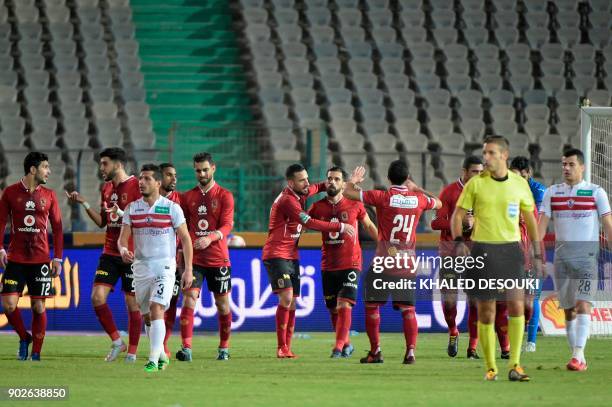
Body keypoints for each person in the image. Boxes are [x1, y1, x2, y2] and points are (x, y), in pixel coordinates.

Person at [451, 136, 542, 382]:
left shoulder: (519, 184)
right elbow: (457, 216)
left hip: (511, 251)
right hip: (483, 251)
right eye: (484, 153)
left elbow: (531, 219)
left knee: (517, 305)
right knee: (487, 312)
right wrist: (459, 241)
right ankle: (491, 367)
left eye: (491, 153)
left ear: (504, 154)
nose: (486, 157)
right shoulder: (475, 185)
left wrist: (536, 249)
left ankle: (515, 364)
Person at [343, 160, 441, 364]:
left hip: (384, 261)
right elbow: (439, 203)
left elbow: (347, 192)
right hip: (406, 264)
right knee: (408, 310)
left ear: (388, 178)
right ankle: (410, 352)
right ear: (407, 179)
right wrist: (417, 188)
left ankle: (376, 351)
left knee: (371, 307)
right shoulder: (418, 199)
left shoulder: (382, 197)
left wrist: (353, 180)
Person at [262, 163, 355, 358]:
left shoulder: (301, 192)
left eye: (306, 178)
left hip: (292, 255)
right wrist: (339, 227)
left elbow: (324, 186)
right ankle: (281, 347)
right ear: (290, 183)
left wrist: (349, 183)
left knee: (293, 302)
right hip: (277, 253)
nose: (307, 183)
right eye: (302, 180)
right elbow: (308, 222)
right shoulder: (288, 200)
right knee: (286, 297)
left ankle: (287, 347)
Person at [538, 148, 612, 371]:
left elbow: (608, 224)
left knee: (583, 305)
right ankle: (577, 355)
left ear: (582, 167)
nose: (566, 168)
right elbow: (541, 225)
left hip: (587, 257)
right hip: (561, 258)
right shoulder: (552, 192)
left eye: (571, 164)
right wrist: (535, 253)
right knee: (568, 309)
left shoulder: (596, 192)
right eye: (563, 164)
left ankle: (578, 356)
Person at [66, 147, 142, 362]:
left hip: (131, 254)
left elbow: (142, 218)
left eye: (104, 163)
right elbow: (102, 222)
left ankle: (133, 353)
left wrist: (124, 215)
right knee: (97, 297)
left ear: (118, 164)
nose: (101, 168)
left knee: (132, 304)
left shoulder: (137, 186)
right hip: (109, 251)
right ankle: (118, 341)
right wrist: (84, 203)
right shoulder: (106, 189)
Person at [118, 164, 193, 372]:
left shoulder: (171, 208)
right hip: (141, 268)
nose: (142, 182)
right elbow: (122, 239)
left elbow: (186, 240)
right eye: (141, 178)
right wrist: (123, 250)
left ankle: (152, 360)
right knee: (147, 316)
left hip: (165, 267)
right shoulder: (132, 209)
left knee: (156, 308)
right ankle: (160, 354)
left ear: (158, 183)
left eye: (147, 178)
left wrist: (188, 270)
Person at [308, 166, 378, 358]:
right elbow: (303, 223)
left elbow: (369, 225)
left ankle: (338, 347)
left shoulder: (354, 205)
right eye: (329, 179)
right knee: (333, 309)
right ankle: (346, 344)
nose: (332, 182)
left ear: (343, 183)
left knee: (344, 305)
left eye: (337, 179)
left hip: (351, 262)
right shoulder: (317, 207)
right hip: (328, 265)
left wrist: (384, 245)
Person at [0, 152, 63, 361]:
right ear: (33, 170)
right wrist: (0, 248)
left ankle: (36, 352)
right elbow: (0, 222)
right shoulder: (10, 193)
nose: (49, 171)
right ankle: (24, 337)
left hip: (40, 259)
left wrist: (58, 257)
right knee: (9, 305)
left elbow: (58, 228)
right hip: (16, 258)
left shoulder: (50, 195)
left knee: (38, 306)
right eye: (45, 166)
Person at [177, 153, 235, 361]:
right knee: (189, 299)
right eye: (197, 170)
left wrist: (210, 237)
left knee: (222, 305)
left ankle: (224, 348)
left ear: (213, 168)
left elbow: (227, 225)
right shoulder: (187, 197)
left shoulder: (224, 195)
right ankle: (186, 348)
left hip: (218, 259)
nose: (201, 173)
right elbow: (182, 229)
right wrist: (181, 257)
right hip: (195, 261)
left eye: (204, 169)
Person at [431, 156, 483, 359]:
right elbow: (436, 223)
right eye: (474, 172)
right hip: (450, 252)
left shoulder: (484, 192)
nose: (478, 176)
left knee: (476, 300)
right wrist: (461, 224)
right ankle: (453, 331)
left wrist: (476, 222)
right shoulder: (450, 191)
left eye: (481, 172)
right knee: (450, 299)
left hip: (476, 252)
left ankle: (472, 347)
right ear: (464, 171)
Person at [509, 156, 547, 353]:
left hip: (532, 250)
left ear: (528, 174)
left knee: (531, 299)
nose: (518, 180)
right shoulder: (508, 190)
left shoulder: (539, 192)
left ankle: (531, 341)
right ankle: (510, 342)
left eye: (521, 177)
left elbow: (537, 223)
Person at [158, 163, 182, 358]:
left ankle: (163, 344)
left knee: (170, 303)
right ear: (159, 179)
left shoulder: (179, 202)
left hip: (171, 262)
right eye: (168, 175)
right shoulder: (145, 201)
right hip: (147, 262)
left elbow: (185, 234)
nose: (173, 179)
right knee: (148, 306)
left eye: (175, 175)